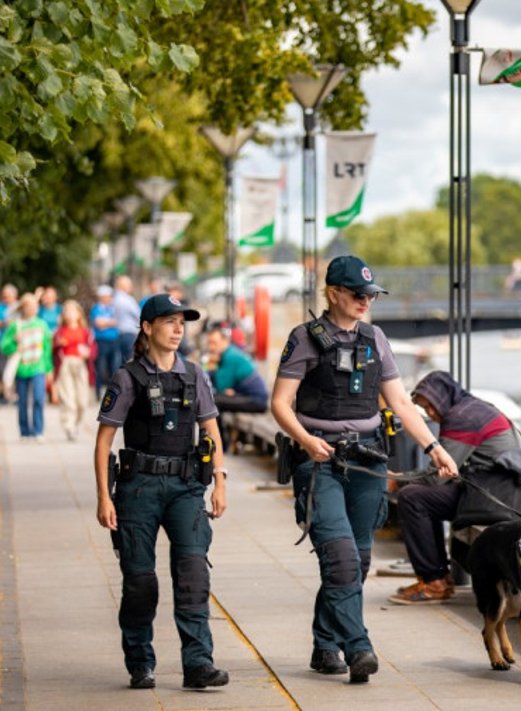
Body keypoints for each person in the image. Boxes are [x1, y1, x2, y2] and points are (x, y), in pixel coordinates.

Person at [270, 255, 458, 683]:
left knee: (355, 561)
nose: (366, 301)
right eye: (358, 294)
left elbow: (402, 404)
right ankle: (359, 647)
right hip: (321, 462)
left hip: (369, 461)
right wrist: (305, 439)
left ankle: (324, 643)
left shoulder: (376, 339)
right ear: (333, 294)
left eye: (371, 295)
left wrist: (433, 448)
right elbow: (280, 403)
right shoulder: (304, 339)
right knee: (340, 561)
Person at [93, 293, 229, 691]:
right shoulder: (128, 377)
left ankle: (198, 664)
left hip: (186, 487)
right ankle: (140, 662)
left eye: (181, 323)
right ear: (147, 327)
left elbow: (211, 429)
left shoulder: (194, 375)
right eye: (168, 322)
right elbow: (103, 442)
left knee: (192, 577)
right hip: (138, 489)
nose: (177, 329)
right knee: (140, 583)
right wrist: (104, 497)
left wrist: (220, 480)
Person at [388, 370, 521, 605]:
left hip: (495, 499)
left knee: (412, 497)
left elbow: (438, 476)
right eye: (425, 410)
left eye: (430, 406)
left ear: (442, 398)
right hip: (502, 493)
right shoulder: (474, 407)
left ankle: (434, 582)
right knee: (420, 496)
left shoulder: (462, 418)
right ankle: (438, 577)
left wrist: (398, 480)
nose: (430, 414)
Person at [203, 325, 269, 453]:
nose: (211, 347)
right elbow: (219, 382)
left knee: (215, 402)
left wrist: (211, 366)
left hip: (256, 400)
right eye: (209, 343)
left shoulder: (230, 356)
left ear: (225, 341)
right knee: (214, 400)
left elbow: (220, 386)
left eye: (214, 343)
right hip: (246, 396)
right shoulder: (228, 354)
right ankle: (220, 442)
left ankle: (220, 444)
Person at [0, 294, 53, 441]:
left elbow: (47, 349)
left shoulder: (42, 325)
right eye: (29, 306)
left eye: (35, 306)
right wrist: (14, 343)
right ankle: (24, 431)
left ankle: (38, 430)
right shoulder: (15, 326)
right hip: (21, 368)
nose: (33, 309)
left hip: (38, 367)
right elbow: (4, 346)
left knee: (38, 398)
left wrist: (49, 369)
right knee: (22, 401)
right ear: (23, 308)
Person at [53, 300, 95, 440]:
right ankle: (69, 427)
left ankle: (75, 424)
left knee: (82, 401)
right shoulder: (60, 332)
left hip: (81, 365)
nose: (69, 314)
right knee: (68, 399)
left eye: (72, 310)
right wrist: (58, 345)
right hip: (65, 365)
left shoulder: (85, 331)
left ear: (78, 314)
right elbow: (52, 350)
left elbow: (93, 349)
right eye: (66, 311)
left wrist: (88, 353)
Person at [91, 285, 121, 398]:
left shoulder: (113, 308)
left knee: (114, 368)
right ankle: (98, 393)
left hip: (114, 341)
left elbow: (117, 322)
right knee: (101, 368)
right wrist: (111, 322)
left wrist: (106, 323)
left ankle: (112, 393)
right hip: (101, 342)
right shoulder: (96, 308)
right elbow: (99, 324)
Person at [114, 275, 142, 361]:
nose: (131, 287)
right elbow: (139, 315)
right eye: (129, 285)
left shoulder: (114, 298)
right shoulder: (128, 299)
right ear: (123, 286)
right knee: (131, 361)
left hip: (117, 334)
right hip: (129, 334)